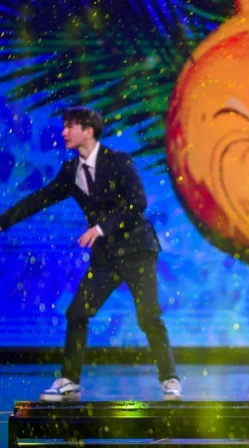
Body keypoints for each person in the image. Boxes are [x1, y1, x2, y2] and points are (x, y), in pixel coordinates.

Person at [0, 106, 182, 402]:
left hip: (137, 249)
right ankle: (69, 380)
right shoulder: (71, 171)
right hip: (106, 257)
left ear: (88, 131)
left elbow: (137, 201)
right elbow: (40, 199)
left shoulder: (118, 161)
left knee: (148, 316)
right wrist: (3, 222)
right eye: (64, 126)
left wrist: (101, 227)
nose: (63, 132)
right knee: (77, 313)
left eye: (69, 126)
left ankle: (170, 379)